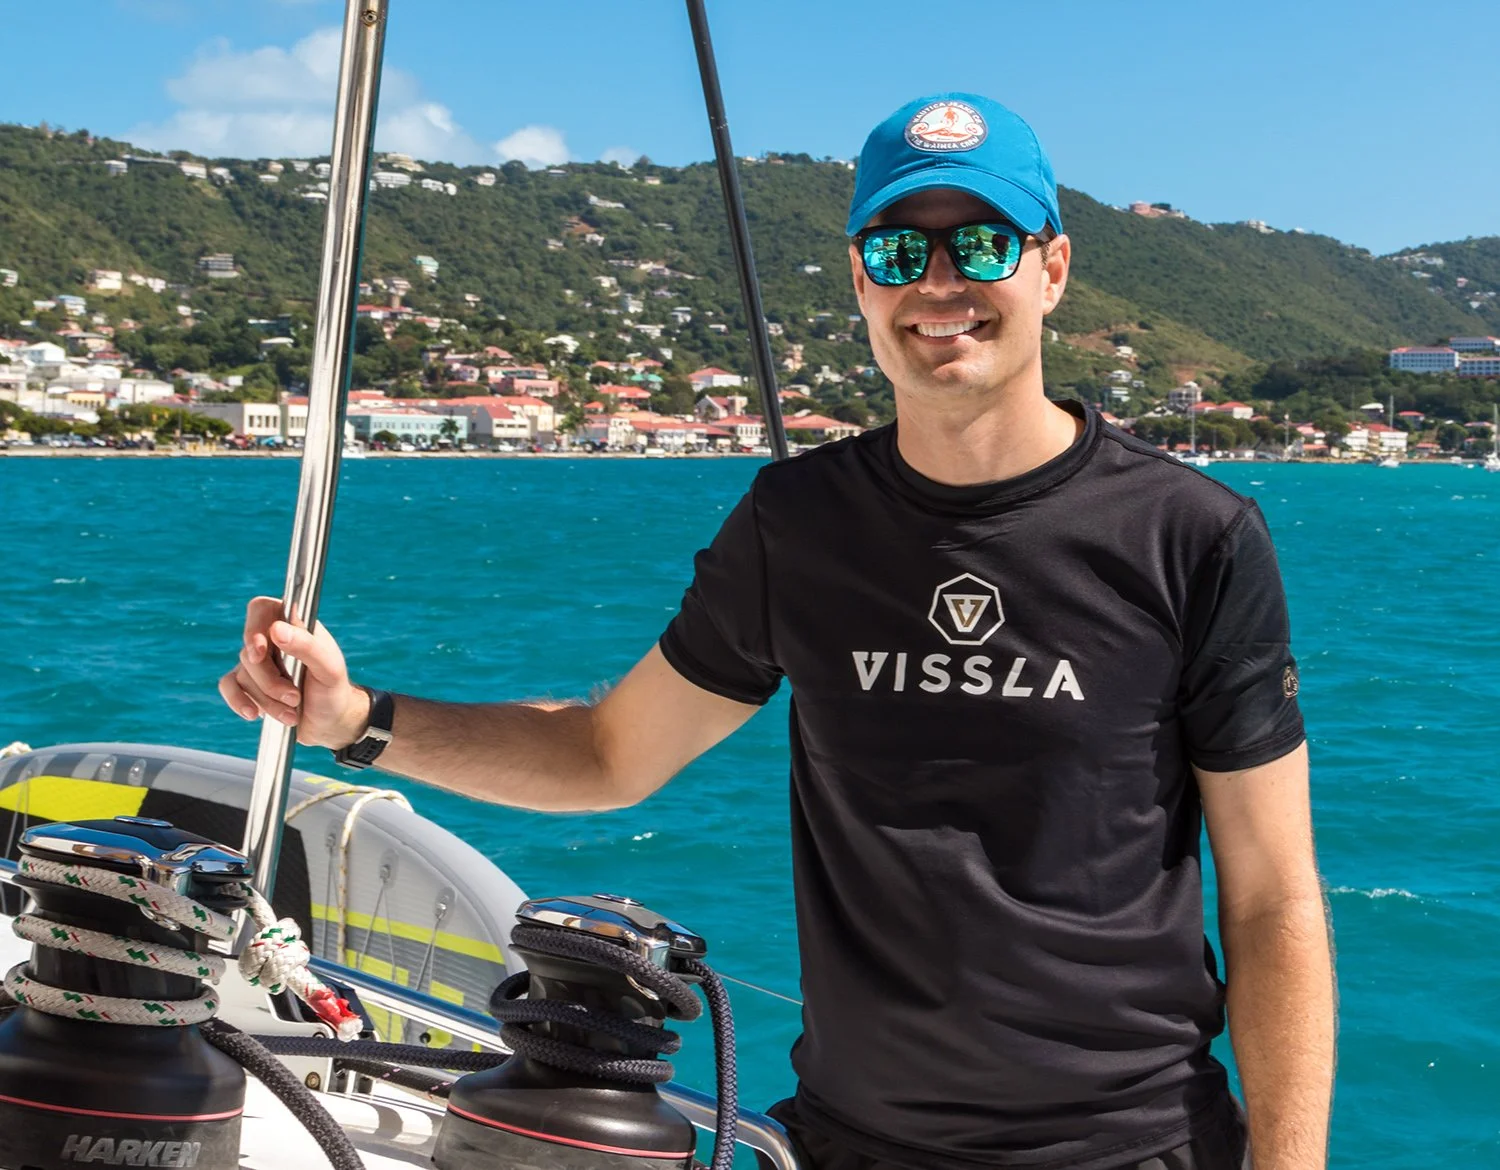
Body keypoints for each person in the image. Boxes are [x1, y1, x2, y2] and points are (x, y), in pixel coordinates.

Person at [222, 93, 1334, 1170]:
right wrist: (357, 721)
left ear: (1051, 267)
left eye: (981, 244)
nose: (940, 283)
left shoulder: (1193, 537)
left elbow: (1273, 897)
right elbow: (609, 753)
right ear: (861, 282)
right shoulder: (798, 525)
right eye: (900, 253)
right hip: (850, 1141)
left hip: (1132, 1146)